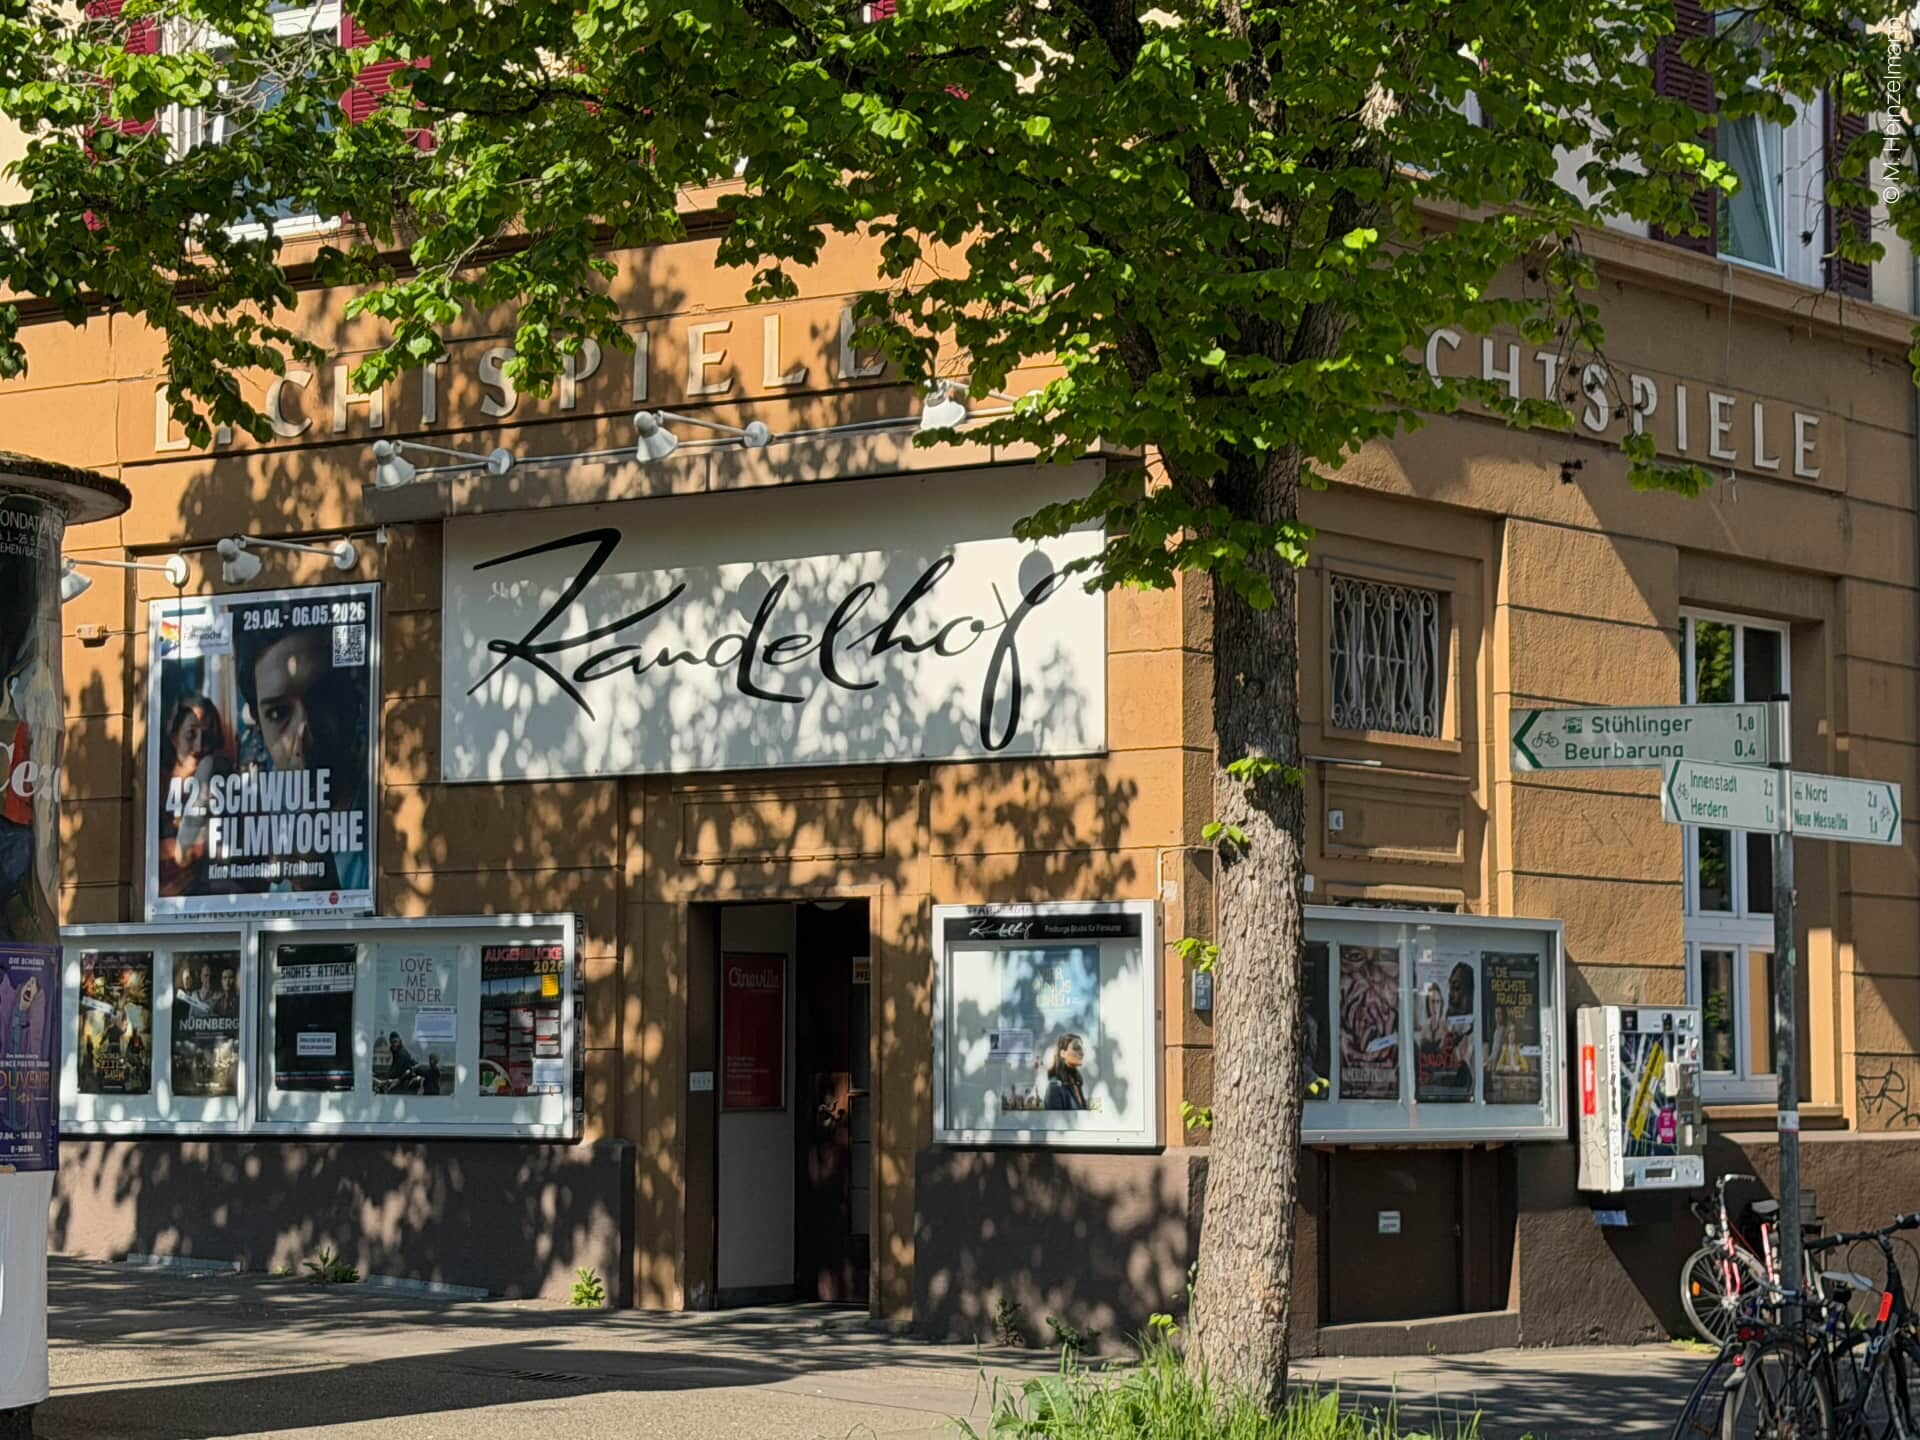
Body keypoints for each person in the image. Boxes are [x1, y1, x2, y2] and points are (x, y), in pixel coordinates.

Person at [234, 615, 369, 896]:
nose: (304, 735)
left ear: (352, 702)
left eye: (322, 698)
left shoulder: (385, 811)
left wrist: (323, 892)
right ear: (260, 726)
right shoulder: (279, 790)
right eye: (278, 713)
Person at [155, 695, 231, 898]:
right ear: (174, 737)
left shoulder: (217, 785)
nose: (199, 746)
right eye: (191, 735)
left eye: (207, 737)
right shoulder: (155, 785)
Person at [1043, 1032, 1088, 1111]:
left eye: (1082, 1048)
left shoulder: (1076, 1083)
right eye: (1076, 1048)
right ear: (1063, 1053)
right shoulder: (1055, 1087)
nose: (1082, 1053)